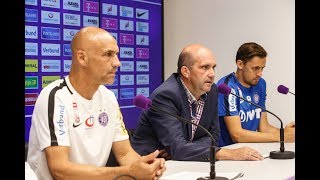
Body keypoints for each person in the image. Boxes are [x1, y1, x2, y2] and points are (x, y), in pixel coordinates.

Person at [26, 26, 166, 180]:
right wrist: (126, 172)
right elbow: (60, 170)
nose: (117, 63)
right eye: (108, 55)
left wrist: (145, 167)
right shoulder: (54, 97)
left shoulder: (108, 97)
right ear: (81, 58)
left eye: (116, 55)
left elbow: (124, 153)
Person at [131, 43, 264, 161]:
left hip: (183, 162)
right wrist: (227, 153)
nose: (212, 74)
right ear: (186, 71)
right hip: (149, 164)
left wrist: (185, 149)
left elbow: (213, 136)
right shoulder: (166, 96)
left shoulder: (212, 91)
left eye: (213, 67)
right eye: (205, 67)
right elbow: (177, 147)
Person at [216, 42, 295, 147]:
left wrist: (286, 132)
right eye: (255, 68)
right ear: (240, 64)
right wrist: (282, 136)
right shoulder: (227, 87)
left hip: (251, 148)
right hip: (228, 151)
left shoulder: (260, 84)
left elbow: (264, 127)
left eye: (262, 68)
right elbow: (237, 135)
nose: (260, 74)